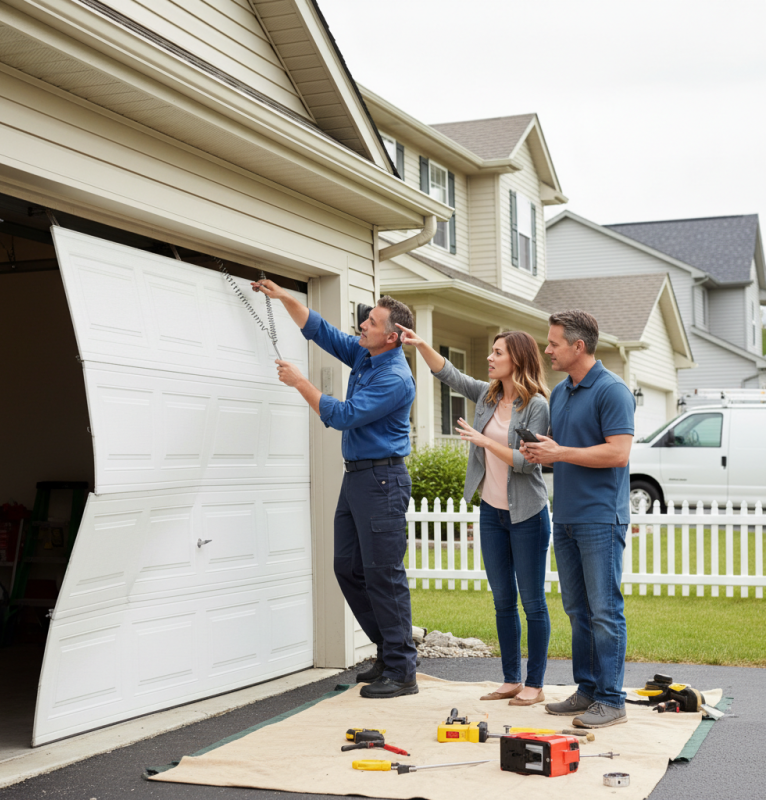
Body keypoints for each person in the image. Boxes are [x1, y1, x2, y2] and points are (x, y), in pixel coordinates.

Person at [252, 280, 418, 699]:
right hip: (358, 478)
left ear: (393, 336)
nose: (363, 325)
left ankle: (402, 670)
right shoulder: (366, 353)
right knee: (347, 567)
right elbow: (323, 332)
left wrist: (300, 383)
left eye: (373, 322)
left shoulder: (395, 377)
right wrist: (286, 298)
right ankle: (388, 653)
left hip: (382, 480)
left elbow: (344, 416)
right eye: (366, 319)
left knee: (384, 575)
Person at [398, 324, 552, 706]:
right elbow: (449, 374)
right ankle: (511, 679)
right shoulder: (487, 396)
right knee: (502, 600)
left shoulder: (537, 406)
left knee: (532, 602)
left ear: (517, 358)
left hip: (527, 515)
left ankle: (535, 683)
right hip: (491, 513)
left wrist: (484, 440)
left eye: (498, 352)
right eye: (492, 352)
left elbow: (524, 463)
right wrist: (420, 346)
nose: (490, 357)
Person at [522, 310, 635, 728]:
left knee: (604, 610)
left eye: (553, 343)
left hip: (600, 519)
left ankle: (611, 699)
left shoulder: (612, 390)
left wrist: (561, 453)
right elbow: (565, 451)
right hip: (566, 516)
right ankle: (587, 690)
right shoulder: (562, 392)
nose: (547, 350)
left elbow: (618, 453)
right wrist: (543, 453)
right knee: (577, 610)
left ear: (578, 346)